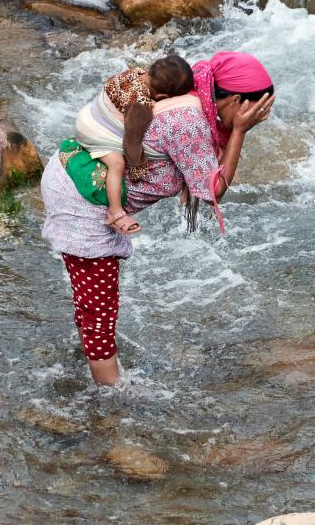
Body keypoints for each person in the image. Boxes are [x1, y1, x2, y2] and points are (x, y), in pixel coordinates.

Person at [41, 51, 275, 385]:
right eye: (255, 111)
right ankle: (110, 402)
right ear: (235, 100)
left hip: (74, 167)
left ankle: (92, 359)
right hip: (82, 201)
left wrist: (234, 128)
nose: (257, 118)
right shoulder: (187, 122)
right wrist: (239, 131)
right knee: (101, 309)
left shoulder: (194, 91)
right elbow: (212, 192)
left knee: (92, 301)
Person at [74, 54, 194, 235]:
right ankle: (115, 210)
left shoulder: (134, 73)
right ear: (162, 96)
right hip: (95, 132)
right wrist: (138, 167)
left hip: (89, 114)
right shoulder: (141, 107)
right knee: (117, 165)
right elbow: (132, 142)